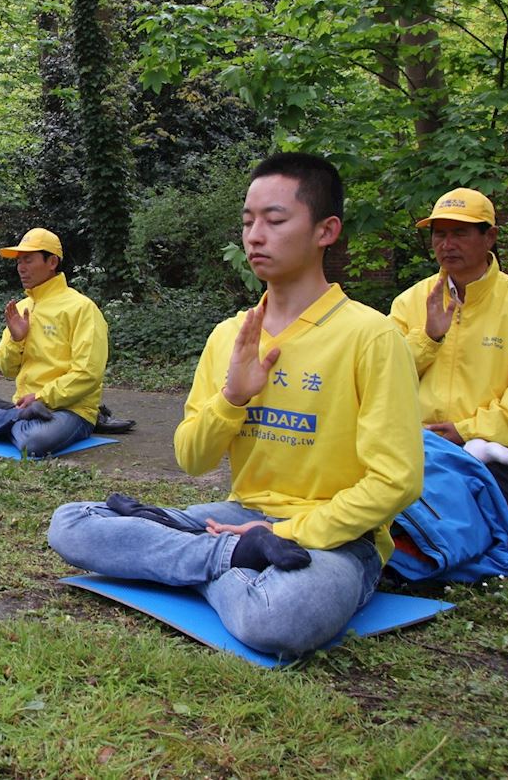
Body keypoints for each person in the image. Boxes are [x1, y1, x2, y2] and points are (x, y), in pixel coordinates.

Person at [47, 153, 423, 657]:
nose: (255, 236)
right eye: (247, 222)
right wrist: (232, 397)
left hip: (335, 537)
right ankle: (234, 557)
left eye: (275, 220)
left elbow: (396, 480)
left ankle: (195, 562)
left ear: (326, 231)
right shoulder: (230, 335)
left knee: (278, 617)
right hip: (236, 517)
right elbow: (192, 458)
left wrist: (284, 531)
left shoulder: (371, 337)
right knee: (72, 524)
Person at [389, 188, 508, 520]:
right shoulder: (411, 301)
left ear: (490, 237)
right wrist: (429, 337)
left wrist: (467, 431)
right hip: (418, 440)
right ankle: (441, 493)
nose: (447, 244)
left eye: (460, 233)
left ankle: (418, 498)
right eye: (440, 234)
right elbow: (384, 376)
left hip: (491, 446)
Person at [0, 228, 108, 457]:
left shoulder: (82, 308)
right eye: (19, 261)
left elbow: (88, 374)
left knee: (34, 441)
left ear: (52, 262)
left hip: (70, 410)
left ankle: (7, 420)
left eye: (28, 260)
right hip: (24, 407)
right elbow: (7, 369)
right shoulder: (20, 309)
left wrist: (41, 398)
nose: (21, 267)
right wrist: (16, 339)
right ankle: (17, 417)